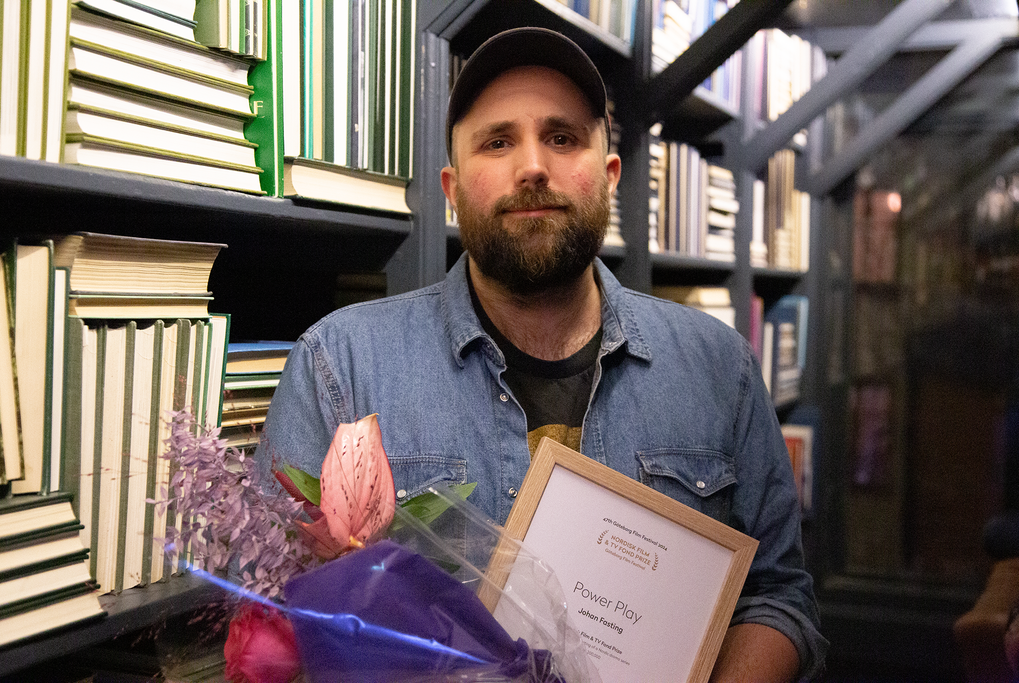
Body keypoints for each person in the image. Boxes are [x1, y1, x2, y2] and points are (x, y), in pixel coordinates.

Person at [260, 27, 827, 681]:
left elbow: (778, 597)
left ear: (609, 176)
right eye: (497, 141)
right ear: (451, 186)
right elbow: (270, 621)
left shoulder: (720, 368)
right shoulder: (342, 363)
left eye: (562, 137)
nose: (532, 165)